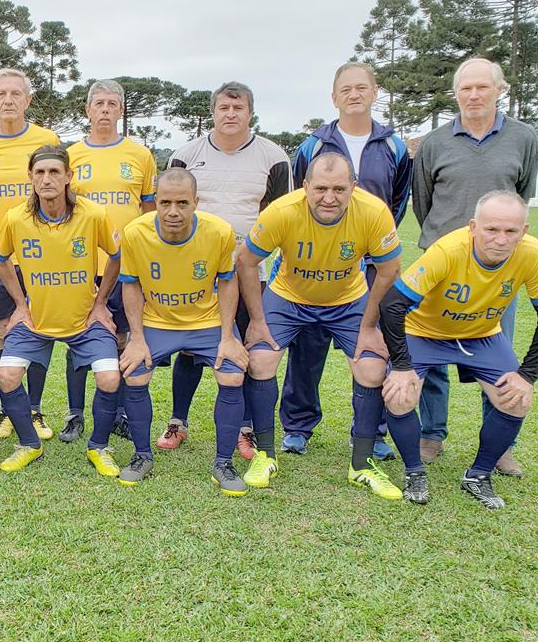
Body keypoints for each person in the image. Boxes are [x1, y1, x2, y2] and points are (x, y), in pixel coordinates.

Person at [237, 153, 405, 501]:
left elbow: (389, 270)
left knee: (372, 367)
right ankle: (265, 456)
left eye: (340, 189)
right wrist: (256, 319)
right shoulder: (282, 212)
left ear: (353, 188)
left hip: (348, 300)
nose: (330, 197)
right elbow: (246, 261)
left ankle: (361, 463)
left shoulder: (373, 213)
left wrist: (371, 324)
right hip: (288, 298)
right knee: (259, 361)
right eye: (321, 188)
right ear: (305, 187)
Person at [379, 191, 538, 509]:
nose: (501, 240)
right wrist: (402, 365)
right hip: (425, 333)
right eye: (492, 229)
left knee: (517, 400)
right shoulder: (448, 250)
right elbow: (393, 305)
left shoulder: (533, 253)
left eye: (511, 231)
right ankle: (414, 471)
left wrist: (527, 375)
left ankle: (478, 475)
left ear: (524, 231)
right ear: (474, 227)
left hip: (481, 335)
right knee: (399, 394)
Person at [411, 57, 538, 476]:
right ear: (456, 93)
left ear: (499, 89)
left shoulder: (523, 138)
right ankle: (431, 433)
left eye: (482, 87)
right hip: (441, 266)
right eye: (466, 88)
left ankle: (500, 444)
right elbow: (422, 201)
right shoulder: (434, 142)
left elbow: (521, 197)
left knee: (499, 354)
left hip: (498, 269)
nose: (474, 95)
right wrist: (447, 244)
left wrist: (499, 241)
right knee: (430, 352)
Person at [281, 62, 412, 459]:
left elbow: (399, 200)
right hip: (317, 260)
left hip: (373, 262)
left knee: (378, 345)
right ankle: (299, 426)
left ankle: (371, 430)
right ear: (334, 97)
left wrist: (374, 243)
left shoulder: (393, 145)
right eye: (345, 89)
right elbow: (299, 198)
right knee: (307, 346)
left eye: (361, 88)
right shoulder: (313, 145)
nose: (354, 95)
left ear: (375, 92)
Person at [163, 82, 290, 454]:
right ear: (213, 112)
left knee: (246, 343)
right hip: (195, 273)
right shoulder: (187, 154)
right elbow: (172, 211)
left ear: (250, 113)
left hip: (251, 272)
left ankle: (246, 428)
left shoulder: (273, 157)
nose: (230, 114)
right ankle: (177, 421)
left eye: (238, 108)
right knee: (189, 348)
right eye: (223, 108)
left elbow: (281, 216)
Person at [0, 145, 123, 476]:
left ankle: (99, 447)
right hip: (37, 320)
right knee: (7, 375)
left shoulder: (93, 215)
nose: (47, 179)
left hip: (85, 319)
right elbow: (0, 258)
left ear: (68, 176)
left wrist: (100, 304)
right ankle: (28, 444)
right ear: (31, 178)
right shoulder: (15, 218)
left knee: (109, 378)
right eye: (40, 172)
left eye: (54, 172)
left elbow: (117, 256)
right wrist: (21, 304)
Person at [118, 169, 247, 489]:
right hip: (157, 320)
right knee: (134, 373)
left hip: (206, 321)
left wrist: (229, 337)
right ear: (156, 202)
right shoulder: (135, 233)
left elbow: (228, 283)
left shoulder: (219, 231)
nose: (173, 211)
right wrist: (135, 338)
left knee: (232, 375)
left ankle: (224, 463)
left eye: (182, 203)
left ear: (196, 203)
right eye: (165, 202)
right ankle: (142, 455)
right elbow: (131, 286)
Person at [0, 68, 61, 442]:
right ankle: (8, 409)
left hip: (40, 255)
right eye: (1, 94)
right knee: (0, 331)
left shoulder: (46, 139)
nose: (8, 100)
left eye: (15, 94)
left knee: (39, 328)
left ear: (27, 100)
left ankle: (34, 409)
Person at [64, 79, 158, 444]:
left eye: (112, 104)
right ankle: (74, 413)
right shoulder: (72, 155)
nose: (104, 110)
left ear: (121, 111)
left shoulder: (140, 155)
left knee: (121, 337)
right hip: (82, 265)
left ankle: (116, 411)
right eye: (98, 103)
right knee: (79, 339)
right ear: (87, 110)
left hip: (127, 267)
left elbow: (149, 212)